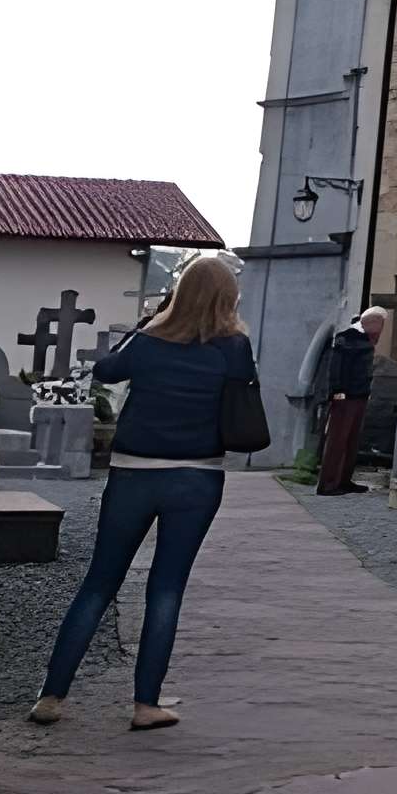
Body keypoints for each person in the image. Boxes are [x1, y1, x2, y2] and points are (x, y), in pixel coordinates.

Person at [32, 254, 255, 731]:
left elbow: (107, 371)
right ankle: (145, 704)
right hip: (197, 475)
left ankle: (52, 696)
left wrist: (152, 319)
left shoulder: (150, 339)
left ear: (180, 292)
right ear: (227, 296)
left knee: (99, 582)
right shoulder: (234, 345)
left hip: (134, 472)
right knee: (167, 587)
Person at [316, 306, 384, 495]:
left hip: (359, 395)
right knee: (338, 439)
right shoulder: (347, 338)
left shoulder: (364, 340)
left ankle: (343, 480)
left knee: (351, 441)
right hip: (345, 396)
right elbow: (336, 369)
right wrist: (338, 393)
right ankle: (328, 483)